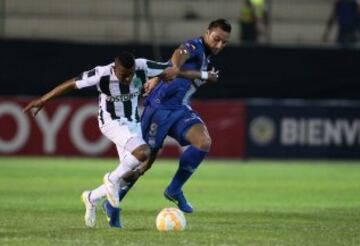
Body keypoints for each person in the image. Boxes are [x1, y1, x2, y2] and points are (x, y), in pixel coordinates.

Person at [23, 52, 216, 229]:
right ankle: (110, 179)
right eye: (124, 75)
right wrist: (43, 100)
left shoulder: (142, 66)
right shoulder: (101, 74)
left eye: (131, 74)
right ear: (115, 69)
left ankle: (91, 197)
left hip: (132, 122)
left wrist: (204, 76)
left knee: (129, 175)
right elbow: (71, 83)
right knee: (144, 153)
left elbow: (173, 70)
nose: (128, 78)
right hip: (111, 123)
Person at [103, 18, 231, 227]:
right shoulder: (194, 46)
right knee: (143, 163)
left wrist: (161, 77)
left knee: (203, 142)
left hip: (179, 109)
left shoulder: (206, 59)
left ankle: (174, 189)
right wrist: (200, 74)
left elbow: (170, 71)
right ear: (207, 33)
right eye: (217, 39)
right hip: (159, 110)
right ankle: (113, 204)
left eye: (224, 43)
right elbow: (176, 61)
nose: (219, 45)